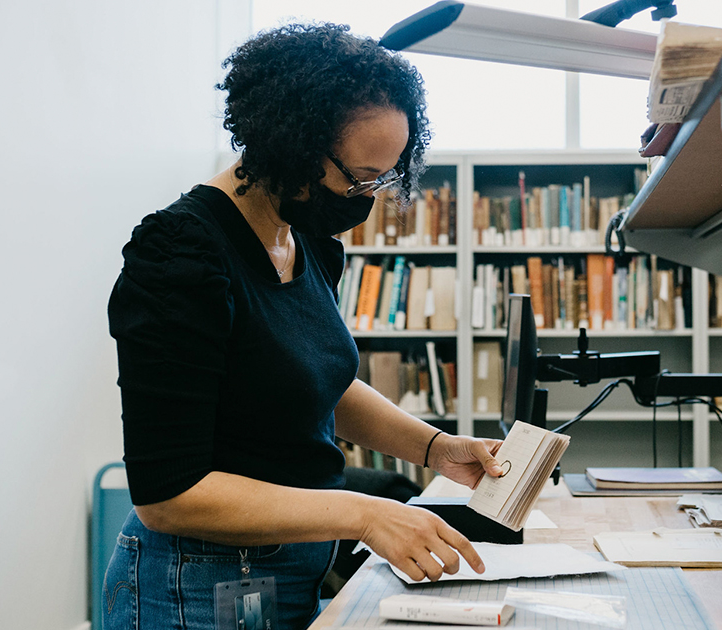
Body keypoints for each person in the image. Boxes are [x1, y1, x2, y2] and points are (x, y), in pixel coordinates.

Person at [104, 22, 503, 630]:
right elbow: (167, 494)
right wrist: (365, 515)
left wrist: (436, 448)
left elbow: (313, 382)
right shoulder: (181, 254)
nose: (366, 197)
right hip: (193, 583)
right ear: (287, 143)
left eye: (383, 179)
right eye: (356, 177)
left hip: (286, 567)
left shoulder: (310, 241)